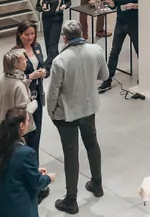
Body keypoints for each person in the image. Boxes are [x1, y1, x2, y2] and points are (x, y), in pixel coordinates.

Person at [46, 20, 108, 214]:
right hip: (89, 108)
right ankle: (97, 184)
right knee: (92, 144)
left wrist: (51, 112)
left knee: (71, 155)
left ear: (64, 38)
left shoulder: (60, 60)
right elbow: (105, 75)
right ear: (82, 33)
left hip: (67, 113)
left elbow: (53, 92)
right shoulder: (96, 50)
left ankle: (71, 199)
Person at [0, 107, 54, 217]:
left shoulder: (1, 146)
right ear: (21, 126)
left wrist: (35, 171)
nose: (29, 123)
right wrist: (48, 178)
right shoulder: (27, 153)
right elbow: (37, 182)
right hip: (21, 208)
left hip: (3, 205)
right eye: (28, 121)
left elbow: (14, 170)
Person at [100, 0, 138, 93]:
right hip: (120, 23)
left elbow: (146, 4)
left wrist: (134, 5)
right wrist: (110, 2)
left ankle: (145, 76)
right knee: (114, 51)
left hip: (134, 24)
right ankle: (108, 79)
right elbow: (113, 6)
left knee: (139, 50)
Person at [0, 48, 39, 154]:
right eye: (23, 59)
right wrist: (32, 106)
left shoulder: (0, 82)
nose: (26, 61)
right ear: (16, 65)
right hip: (22, 131)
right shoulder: (18, 86)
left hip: (5, 127)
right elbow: (21, 113)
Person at [15, 21, 48, 153]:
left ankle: (35, 160)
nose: (30, 37)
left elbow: (42, 64)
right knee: (25, 133)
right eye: (27, 34)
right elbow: (13, 79)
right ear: (20, 35)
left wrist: (44, 71)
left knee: (36, 132)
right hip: (23, 98)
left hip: (37, 95)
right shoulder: (16, 53)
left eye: (33, 34)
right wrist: (30, 76)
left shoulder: (37, 47)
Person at [36, 0, 71, 65]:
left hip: (57, 18)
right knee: (47, 41)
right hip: (46, 18)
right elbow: (37, 6)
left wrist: (65, 6)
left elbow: (68, 2)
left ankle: (49, 63)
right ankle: (54, 61)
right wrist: (42, 8)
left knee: (53, 41)